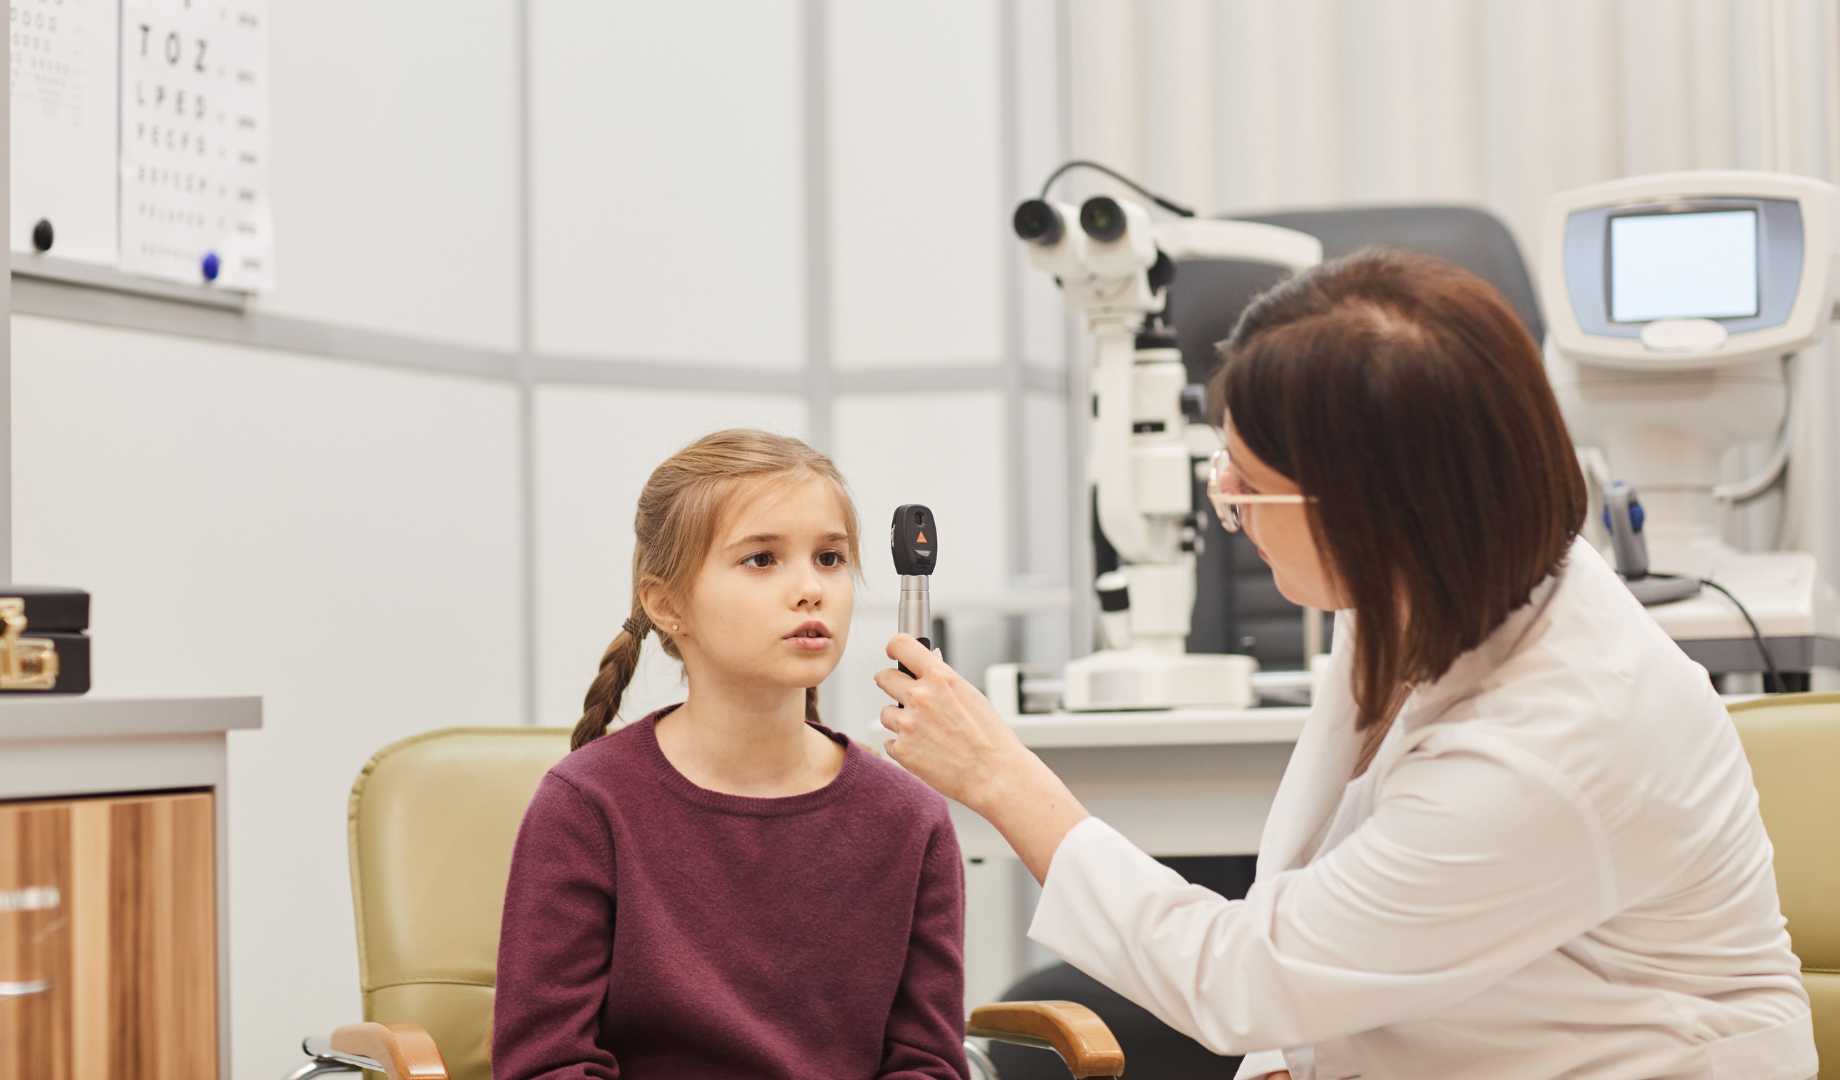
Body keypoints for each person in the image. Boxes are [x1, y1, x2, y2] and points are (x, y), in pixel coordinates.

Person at [877, 249, 1817, 1080]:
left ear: (1370, 512)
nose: (1224, 503)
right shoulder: (1431, 585)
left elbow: (1244, 976)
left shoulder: (1553, 745)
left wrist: (997, 776)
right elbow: (1316, 917)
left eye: (1248, 483)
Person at [494, 429, 967, 1080]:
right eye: (761, 559)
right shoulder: (586, 807)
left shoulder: (911, 820)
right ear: (666, 604)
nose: (811, 589)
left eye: (829, 558)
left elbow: (927, 1066)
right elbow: (546, 1065)